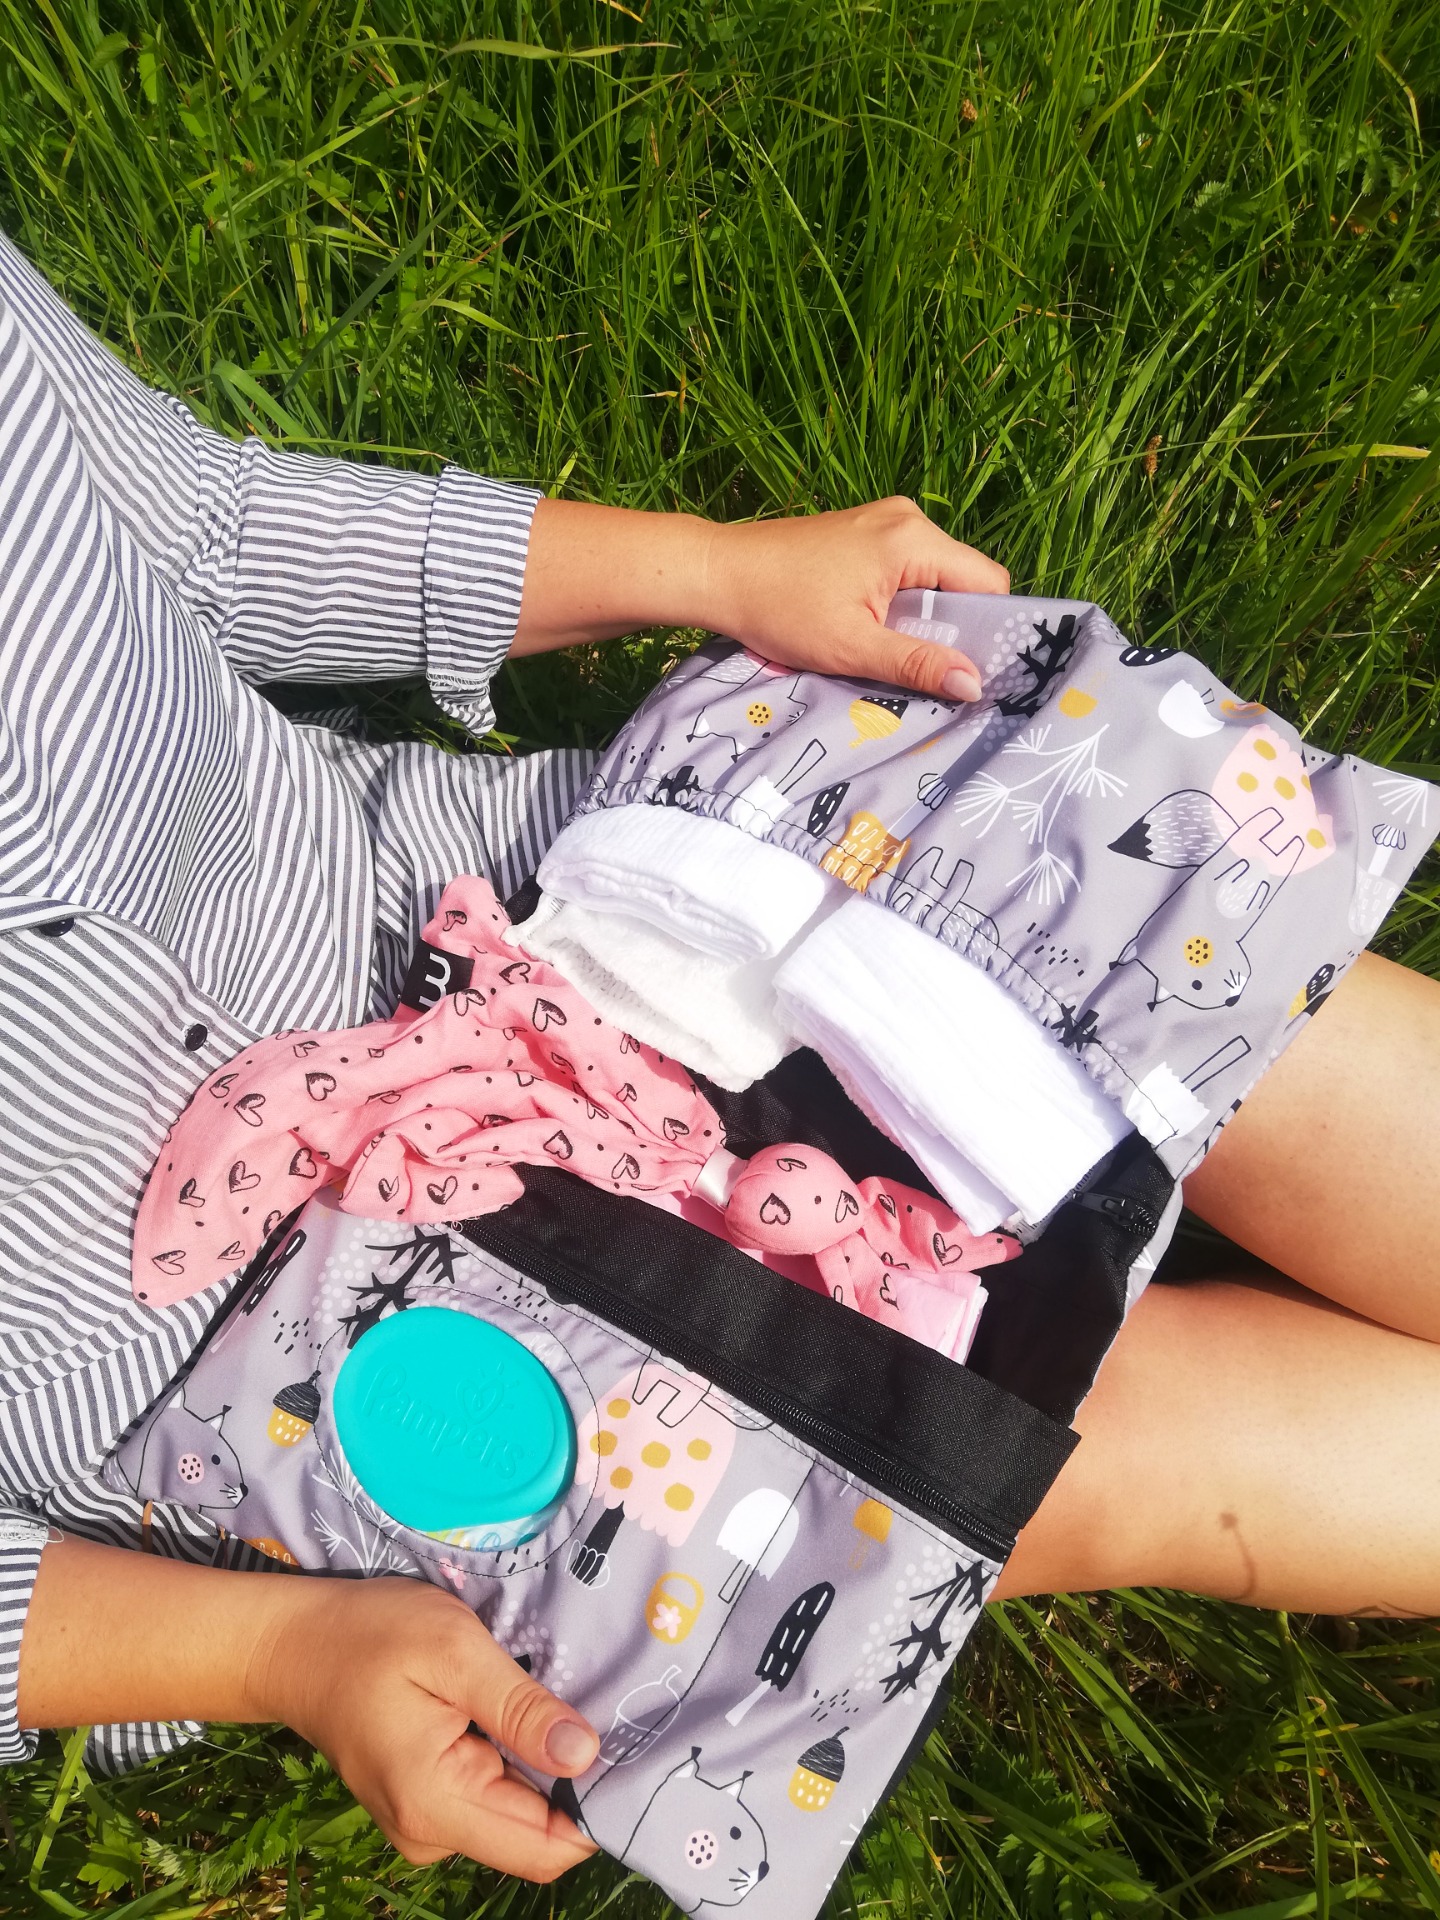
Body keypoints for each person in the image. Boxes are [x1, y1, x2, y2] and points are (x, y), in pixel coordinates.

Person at [0, 227, 1434, 1887]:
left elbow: (193, 519)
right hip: (265, 1339)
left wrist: (700, 568)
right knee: (1072, 1448)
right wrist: (277, 1656)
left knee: (1213, 1009)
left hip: (489, 890)